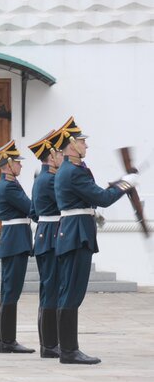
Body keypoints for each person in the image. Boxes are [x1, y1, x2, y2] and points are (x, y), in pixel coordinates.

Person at [53, 117, 136, 364]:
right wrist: (125, 184)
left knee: (70, 291)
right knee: (72, 293)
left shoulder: (72, 170)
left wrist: (116, 186)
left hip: (74, 231)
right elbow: (102, 198)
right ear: (71, 145)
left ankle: (68, 348)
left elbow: (91, 194)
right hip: (77, 233)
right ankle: (69, 350)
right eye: (81, 142)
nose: (86, 146)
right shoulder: (73, 172)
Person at [0, 140, 35, 354]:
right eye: (17, 162)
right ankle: (7, 341)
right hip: (15, 242)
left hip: (15, 240)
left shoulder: (10, 184)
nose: (20, 166)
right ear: (8, 164)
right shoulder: (8, 186)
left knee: (10, 291)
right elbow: (30, 208)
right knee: (10, 292)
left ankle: (6, 340)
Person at [27, 129, 64, 358]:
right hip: (51, 237)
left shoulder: (41, 178)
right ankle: (50, 345)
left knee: (48, 290)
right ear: (51, 156)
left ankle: (48, 343)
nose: (63, 156)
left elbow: (33, 212)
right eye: (59, 153)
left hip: (44, 233)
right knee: (52, 290)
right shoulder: (50, 179)